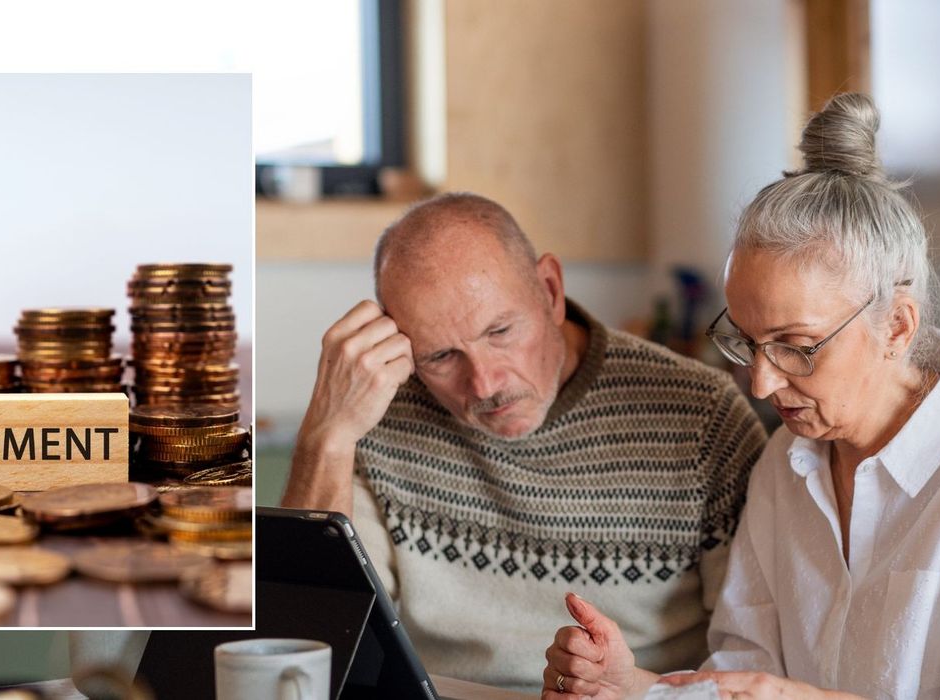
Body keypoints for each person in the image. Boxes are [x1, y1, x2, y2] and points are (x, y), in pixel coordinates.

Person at [541, 93, 940, 699]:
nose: (762, 384)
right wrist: (632, 687)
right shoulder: (784, 466)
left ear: (897, 326)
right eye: (746, 340)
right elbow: (745, 677)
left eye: (796, 345)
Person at [283, 192, 767, 692]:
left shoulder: (702, 415)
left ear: (551, 290)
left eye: (500, 331)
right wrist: (327, 435)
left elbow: (756, 658)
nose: (485, 384)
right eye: (442, 356)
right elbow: (311, 636)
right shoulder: (379, 410)